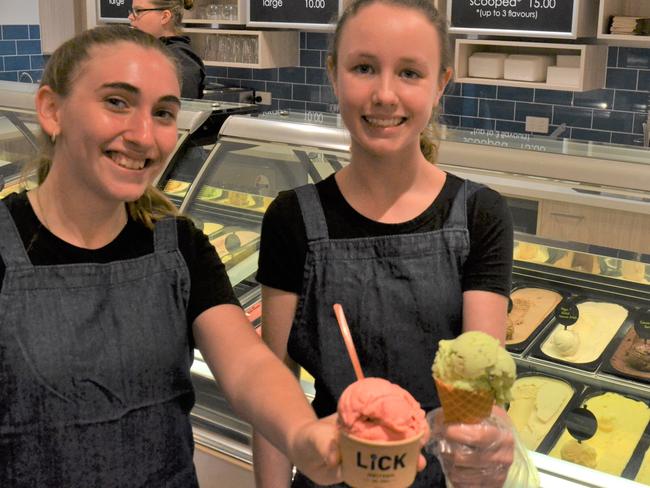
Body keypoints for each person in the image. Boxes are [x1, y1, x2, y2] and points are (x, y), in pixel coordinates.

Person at [0, 25, 343, 487]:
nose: (144, 135)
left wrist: (303, 435)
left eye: (163, 112)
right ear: (51, 109)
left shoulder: (179, 245)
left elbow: (247, 365)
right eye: (117, 102)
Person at [252, 0, 515, 487]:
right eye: (364, 68)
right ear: (334, 74)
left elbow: (481, 386)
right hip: (329, 472)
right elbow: (275, 393)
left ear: (441, 84)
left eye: (410, 73)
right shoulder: (291, 219)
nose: (384, 94)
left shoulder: (480, 215)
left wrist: (491, 439)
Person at [129, 0, 206, 99]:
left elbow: (179, 109)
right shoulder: (155, 52)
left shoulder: (179, 59)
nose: (130, 17)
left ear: (165, 17)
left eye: (138, 11)